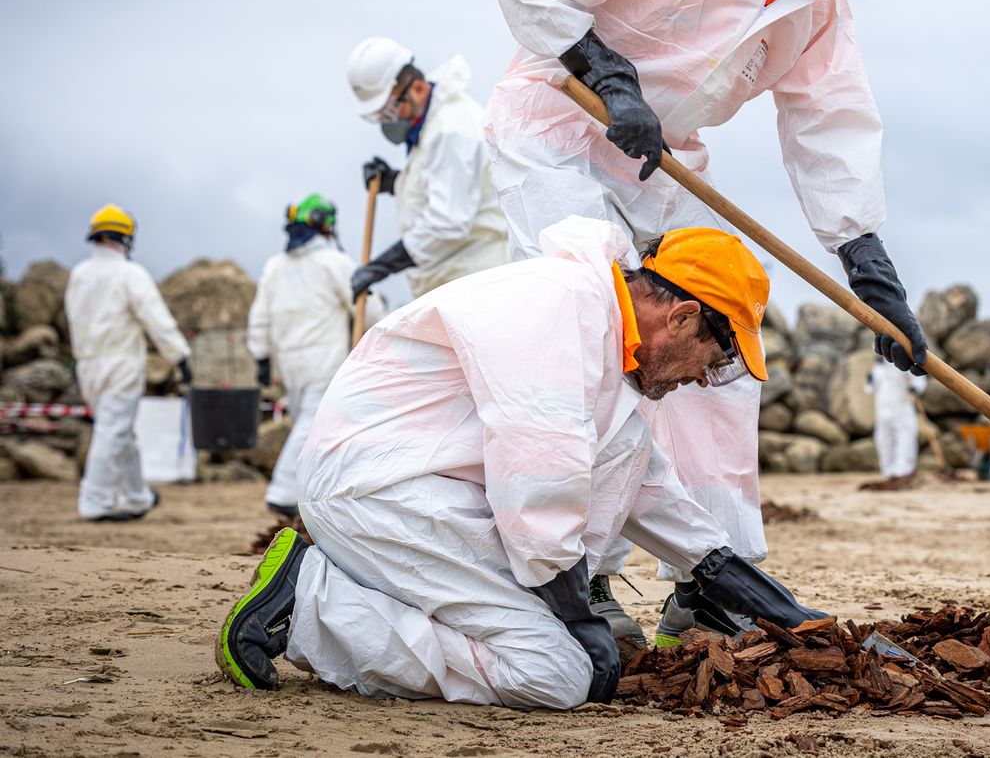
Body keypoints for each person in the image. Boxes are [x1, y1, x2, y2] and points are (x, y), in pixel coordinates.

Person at [485, 0, 929, 638]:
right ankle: (585, 572)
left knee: (726, 338)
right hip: (557, 124)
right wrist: (609, 78)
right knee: (604, 329)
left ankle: (717, 572)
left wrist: (872, 275)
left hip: (662, 160)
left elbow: (831, 125)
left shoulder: (814, 15)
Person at [214, 215, 825, 709]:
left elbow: (646, 487)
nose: (704, 378)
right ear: (684, 316)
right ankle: (311, 607)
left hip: (419, 488)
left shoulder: (607, 343)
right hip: (381, 489)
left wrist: (784, 612)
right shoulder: (561, 311)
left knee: (561, 629)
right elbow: (538, 486)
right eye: (716, 358)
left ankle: (344, 591)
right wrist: (579, 621)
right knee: (554, 673)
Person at [345, 37, 508, 300]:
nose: (389, 121)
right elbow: (441, 187)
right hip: (454, 280)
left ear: (418, 89)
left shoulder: (451, 131)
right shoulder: (434, 125)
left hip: (473, 281)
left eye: (388, 112)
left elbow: (447, 221)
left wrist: (382, 266)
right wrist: (395, 182)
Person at [63, 204, 191, 522]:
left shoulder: (78, 275)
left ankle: (136, 496)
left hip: (87, 364)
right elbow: (156, 319)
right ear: (126, 237)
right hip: (120, 363)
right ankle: (94, 501)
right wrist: (179, 355)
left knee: (121, 432)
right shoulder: (129, 274)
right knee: (112, 431)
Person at [245, 194, 358, 518]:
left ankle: (305, 492)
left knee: (304, 425)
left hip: (290, 362)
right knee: (311, 425)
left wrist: (261, 356)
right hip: (325, 357)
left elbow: (260, 316)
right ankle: (284, 492)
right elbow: (367, 304)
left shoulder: (274, 267)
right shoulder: (336, 262)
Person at [868, 355, 927, 487]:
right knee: (883, 440)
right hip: (882, 411)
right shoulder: (878, 367)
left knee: (905, 439)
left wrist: (915, 387)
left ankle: (903, 472)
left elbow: (919, 381)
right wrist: (870, 380)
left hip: (902, 408)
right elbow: (870, 387)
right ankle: (888, 473)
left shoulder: (904, 363)